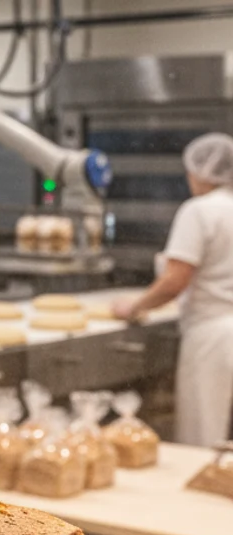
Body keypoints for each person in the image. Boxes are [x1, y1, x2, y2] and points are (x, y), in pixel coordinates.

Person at [113, 132, 233, 447]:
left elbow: (175, 280)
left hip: (214, 338)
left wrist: (135, 306)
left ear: (199, 173)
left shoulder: (199, 210)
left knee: (204, 438)